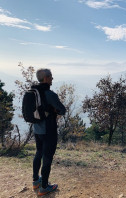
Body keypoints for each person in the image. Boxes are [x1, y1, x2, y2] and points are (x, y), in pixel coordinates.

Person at [31, 68, 66, 196]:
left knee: (38, 153)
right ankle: (44, 186)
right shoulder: (49, 94)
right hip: (48, 130)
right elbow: (62, 110)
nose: (52, 79)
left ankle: (36, 181)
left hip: (37, 129)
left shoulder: (33, 92)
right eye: (51, 76)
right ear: (45, 78)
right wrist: (55, 110)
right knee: (47, 158)